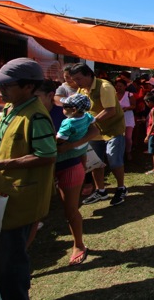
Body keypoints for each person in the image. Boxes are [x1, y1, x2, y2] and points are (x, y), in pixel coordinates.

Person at [0, 58, 57, 299]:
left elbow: (47, 155)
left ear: (28, 87)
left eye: (6, 85)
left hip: (19, 200)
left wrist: (1, 165)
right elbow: (8, 138)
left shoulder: (36, 117)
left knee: (11, 261)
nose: (0, 89)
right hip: (0, 194)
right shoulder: (10, 109)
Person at [70, 63, 128, 206]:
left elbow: (111, 110)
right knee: (96, 162)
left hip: (113, 130)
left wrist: (91, 121)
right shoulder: (81, 90)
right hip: (94, 131)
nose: (77, 82)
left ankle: (121, 188)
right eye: (74, 79)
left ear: (89, 75)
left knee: (114, 160)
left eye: (79, 78)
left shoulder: (105, 87)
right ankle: (101, 190)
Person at [56, 93, 94, 265]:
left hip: (67, 160)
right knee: (72, 207)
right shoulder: (86, 116)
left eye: (65, 107)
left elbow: (59, 141)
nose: (62, 109)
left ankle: (78, 244)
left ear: (73, 109)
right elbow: (93, 123)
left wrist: (67, 144)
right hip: (80, 153)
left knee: (71, 208)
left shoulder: (68, 122)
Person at [115, 79, 136, 161]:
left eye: (120, 86)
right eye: (117, 86)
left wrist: (127, 108)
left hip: (128, 118)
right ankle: (119, 152)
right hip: (117, 119)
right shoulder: (113, 95)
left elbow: (134, 105)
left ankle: (128, 152)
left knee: (128, 137)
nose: (118, 88)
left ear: (125, 86)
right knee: (118, 137)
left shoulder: (129, 95)